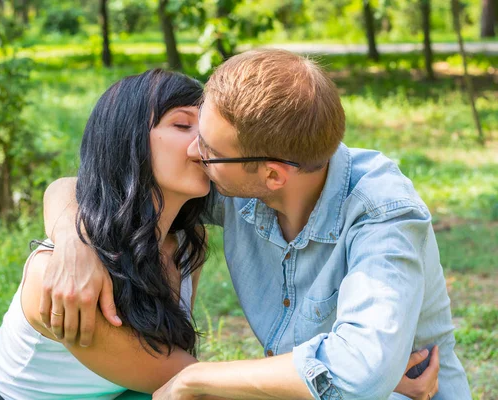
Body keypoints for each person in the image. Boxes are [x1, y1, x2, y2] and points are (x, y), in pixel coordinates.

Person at [42, 50, 470, 400]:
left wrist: (199, 378)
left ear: (272, 175)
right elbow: (87, 185)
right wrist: (72, 243)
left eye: (208, 147)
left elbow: (359, 375)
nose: (194, 151)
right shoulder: (240, 181)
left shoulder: (382, 212)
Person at [0, 69, 214, 400]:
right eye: (183, 125)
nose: (207, 141)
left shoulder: (185, 244)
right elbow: (189, 381)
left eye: (208, 126)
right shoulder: (63, 277)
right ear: (128, 140)